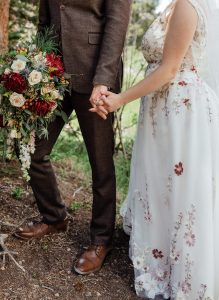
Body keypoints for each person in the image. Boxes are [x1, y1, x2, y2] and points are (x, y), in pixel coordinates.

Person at [91, 0, 219, 298]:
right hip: (163, 108)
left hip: (180, 112)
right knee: (164, 185)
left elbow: (169, 69)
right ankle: (161, 250)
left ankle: (183, 272)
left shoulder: (190, 5)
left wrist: (120, 100)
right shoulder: (173, 4)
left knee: (180, 189)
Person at [15, 0, 131, 275]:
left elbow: (116, 25)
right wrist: (39, 67)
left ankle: (102, 240)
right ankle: (54, 217)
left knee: (101, 165)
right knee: (33, 148)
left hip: (95, 78)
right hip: (52, 76)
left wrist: (103, 80)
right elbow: (45, 21)